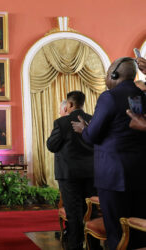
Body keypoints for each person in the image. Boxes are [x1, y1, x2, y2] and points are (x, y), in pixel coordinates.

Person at [72, 57, 146, 249]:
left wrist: (84, 129)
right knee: (137, 232)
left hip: (113, 176)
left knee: (116, 232)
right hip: (140, 174)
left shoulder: (109, 96)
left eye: (108, 72)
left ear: (114, 74)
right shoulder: (141, 95)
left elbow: (93, 135)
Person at [47, 91, 97, 250]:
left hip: (69, 175)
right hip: (91, 174)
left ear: (69, 104)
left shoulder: (62, 122)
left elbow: (51, 145)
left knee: (73, 213)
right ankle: (93, 245)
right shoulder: (93, 120)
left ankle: (75, 246)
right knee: (91, 211)